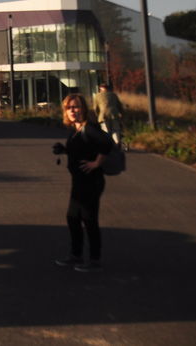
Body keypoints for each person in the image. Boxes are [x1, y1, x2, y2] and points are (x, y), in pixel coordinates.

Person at [52, 92, 113, 272]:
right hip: (79, 182)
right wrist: (63, 150)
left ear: (84, 109)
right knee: (73, 218)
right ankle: (76, 255)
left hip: (91, 182)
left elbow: (107, 144)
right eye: (69, 108)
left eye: (76, 107)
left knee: (89, 220)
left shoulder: (90, 128)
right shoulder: (76, 130)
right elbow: (79, 150)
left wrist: (96, 163)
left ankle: (94, 260)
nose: (72, 111)